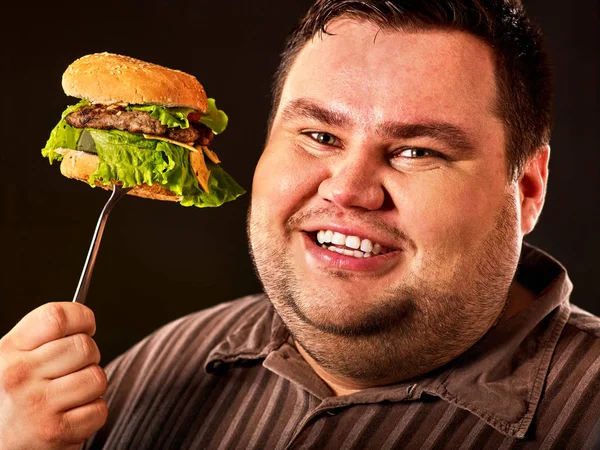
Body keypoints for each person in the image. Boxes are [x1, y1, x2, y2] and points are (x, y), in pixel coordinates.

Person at [1, 0, 599, 448]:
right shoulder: (157, 366)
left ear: (525, 189)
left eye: (417, 151)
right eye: (319, 136)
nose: (347, 189)